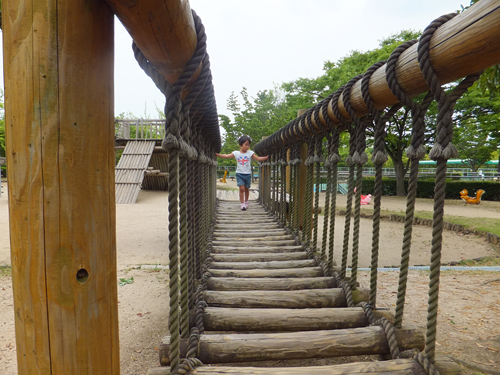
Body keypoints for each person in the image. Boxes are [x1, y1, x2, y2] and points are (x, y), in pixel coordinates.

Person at [215, 135, 269, 210]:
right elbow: (227, 156)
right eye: (246, 145)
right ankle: (242, 203)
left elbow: (258, 158)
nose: (247, 147)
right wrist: (218, 155)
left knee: (247, 188)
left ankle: (246, 201)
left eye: (248, 145)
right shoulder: (236, 153)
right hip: (239, 173)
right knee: (242, 188)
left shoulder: (250, 153)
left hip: (248, 174)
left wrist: (265, 158)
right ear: (240, 145)